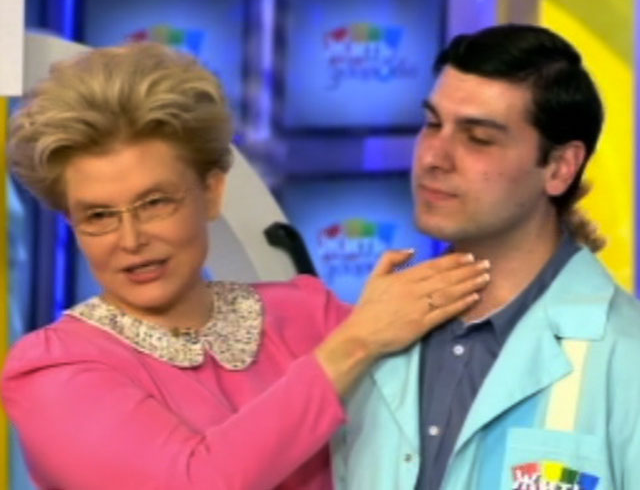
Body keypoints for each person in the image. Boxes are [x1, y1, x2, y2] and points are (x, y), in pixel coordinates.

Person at [1, 43, 491, 490]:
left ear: (212, 192)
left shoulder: (305, 313)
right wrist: (357, 342)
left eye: (155, 203)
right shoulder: (53, 370)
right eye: (99, 216)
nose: (131, 240)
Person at [332, 24, 640, 490]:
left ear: (560, 167)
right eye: (433, 124)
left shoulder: (625, 356)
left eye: (477, 138)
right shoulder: (370, 335)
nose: (434, 157)